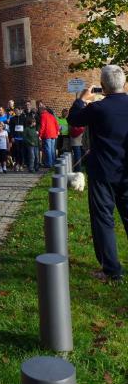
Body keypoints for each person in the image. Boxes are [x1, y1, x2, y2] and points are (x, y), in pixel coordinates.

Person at [68, 66, 128, 282]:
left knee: (103, 220)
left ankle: (112, 270)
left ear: (102, 86)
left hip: (103, 171)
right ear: (124, 84)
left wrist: (82, 99)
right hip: (125, 171)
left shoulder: (98, 108)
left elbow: (74, 119)